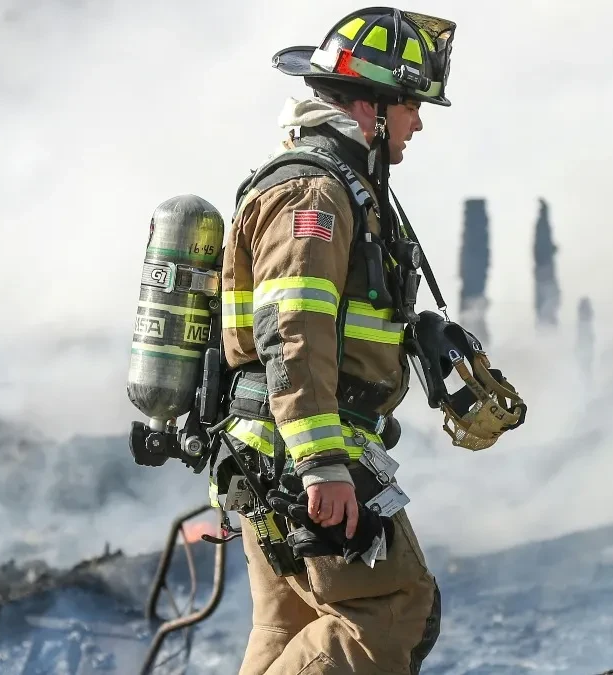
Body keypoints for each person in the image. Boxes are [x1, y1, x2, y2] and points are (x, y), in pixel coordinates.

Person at [217, 8, 456, 674]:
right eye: (411, 104)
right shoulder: (314, 193)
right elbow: (293, 329)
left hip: (277, 449)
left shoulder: (339, 184)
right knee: (393, 609)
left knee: (290, 624)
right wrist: (322, 460)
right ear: (369, 106)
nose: (419, 122)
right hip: (306, 449)